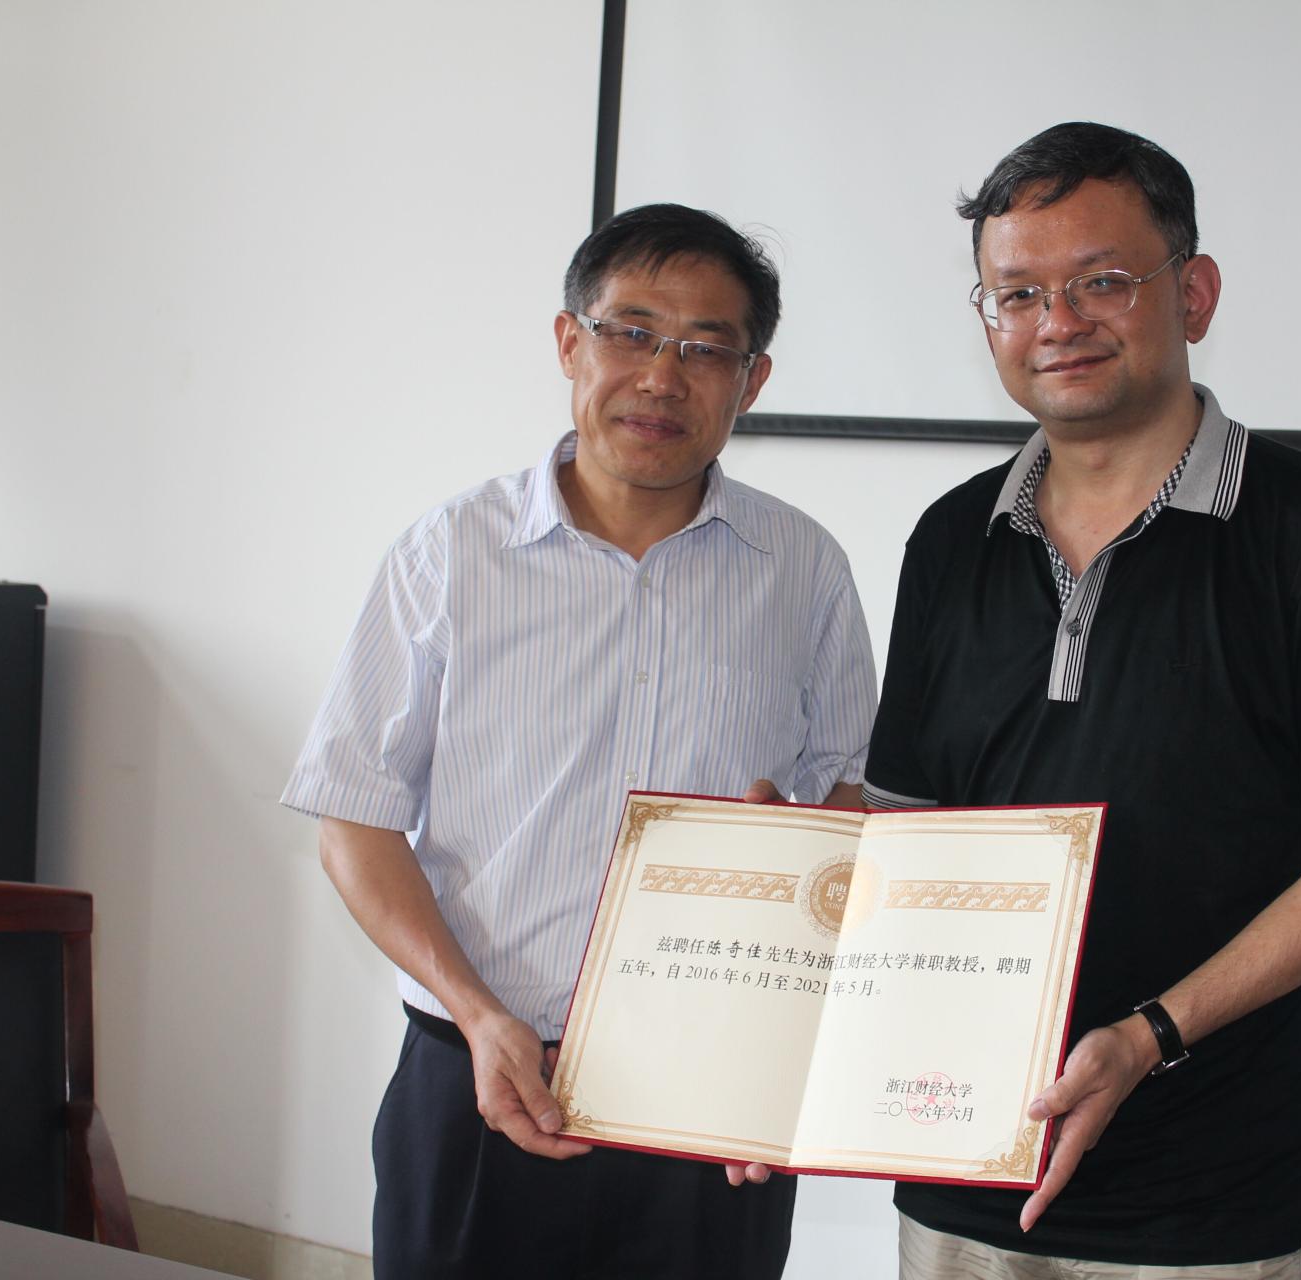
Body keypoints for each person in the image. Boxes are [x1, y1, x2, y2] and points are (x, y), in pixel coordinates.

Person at [864, 123, 1301, 1278]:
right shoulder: (950, 538)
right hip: (963, 1161)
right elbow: (905, 837)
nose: (1057, 321)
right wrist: (786, 871)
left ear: (1195, 292)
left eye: (1102, 280)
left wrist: (1145, 1036)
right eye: (1018, 292)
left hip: (1211, 1200)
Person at [281, 203, 876, 1279]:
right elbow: (352, 819)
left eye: (706, 349)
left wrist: (784, 1014)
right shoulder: (449, 553)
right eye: (631, 332)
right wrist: (478, 1015)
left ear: (752, 381)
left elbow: (849, 811)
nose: (662, 377)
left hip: (709, 1099)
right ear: (570, 342)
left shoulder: (804, 570)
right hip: (478, 1070)